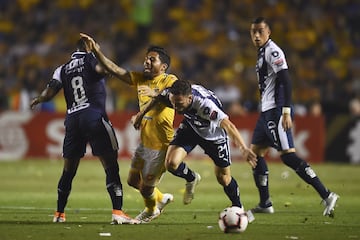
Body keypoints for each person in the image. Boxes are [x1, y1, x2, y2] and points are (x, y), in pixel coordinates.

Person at [30, 38, 138, 224]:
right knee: (111, 166)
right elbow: (106, 69)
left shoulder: (61, 69)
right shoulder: (91, 59)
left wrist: (39, 99)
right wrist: (98, 54)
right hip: (94, 117)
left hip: (73, 120)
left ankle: (59, 214)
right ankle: (118, 212)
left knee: (68, 171)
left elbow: (49, 93)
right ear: (89, 47)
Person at [80, 33, 176, 223]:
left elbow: (175, 97)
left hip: (161, 145)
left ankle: (151, 211)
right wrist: (97, 50)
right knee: (133, 181)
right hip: (145, 142)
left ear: (163, 67)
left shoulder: (169, 80)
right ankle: (160, 198)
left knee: (146, 188)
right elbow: (114, 69)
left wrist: (155, 94)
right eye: (146, 58)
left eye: (152, 59)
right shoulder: (139, 79)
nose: (146, 62)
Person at [249, 17, 339, 217]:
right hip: (266, 112)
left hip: (276, 111)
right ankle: (265, 203)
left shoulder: (273, 51)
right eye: (253, 31)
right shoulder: (262, 52)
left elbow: (286, 82)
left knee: (288, 156)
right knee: (255, 154)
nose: (256, 35)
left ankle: (327, 194)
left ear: (269, 32)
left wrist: (286, 111)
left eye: (260, 31)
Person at [134, 79, 258, 212]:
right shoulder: (172, 94)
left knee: (223, 178)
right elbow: (158, 98)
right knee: (171, 163)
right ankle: (191, 178)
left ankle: (238, 206)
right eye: (174, 103)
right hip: (192, 128)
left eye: (179, 104)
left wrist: (243, 148)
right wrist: (141, 115)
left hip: (214, 136)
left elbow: (229, 125)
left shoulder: (205, 105)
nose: (176, 108)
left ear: (190, 98)